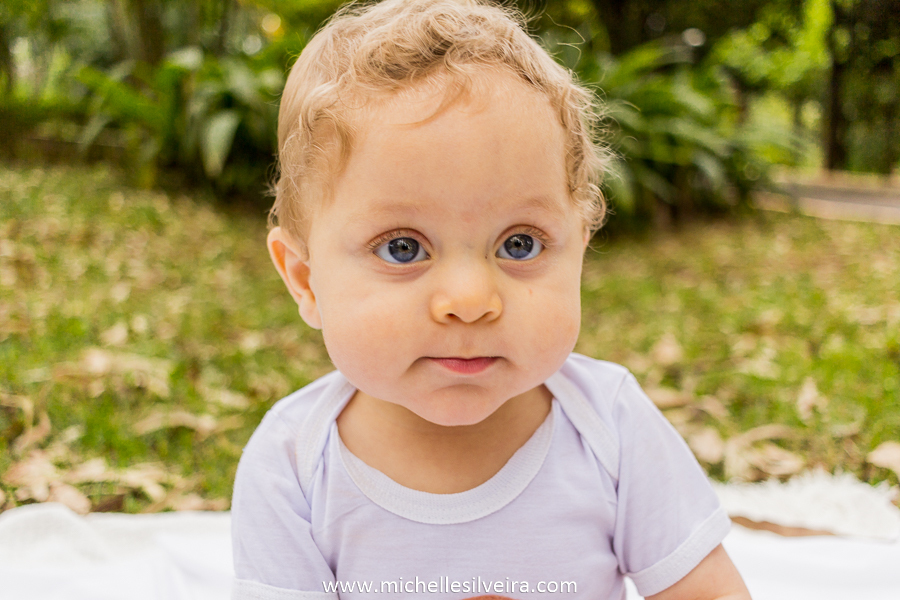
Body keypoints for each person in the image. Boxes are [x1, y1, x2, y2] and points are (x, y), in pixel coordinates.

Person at [231, 1, 751, 599]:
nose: (471, 300)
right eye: (402, 247)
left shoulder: (611, 428)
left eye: (520, 243)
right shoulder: (293, 465)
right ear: (305, 279)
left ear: (580, 248)